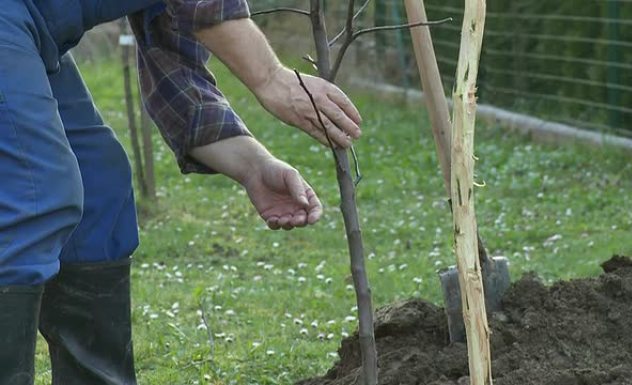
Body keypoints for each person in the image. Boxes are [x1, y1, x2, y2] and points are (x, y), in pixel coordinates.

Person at [0, 1, 362, 384]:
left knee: (99, 188)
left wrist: (254, 166)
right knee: (36, 192)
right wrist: (270, 76)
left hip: (28, 25)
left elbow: (175, 69)